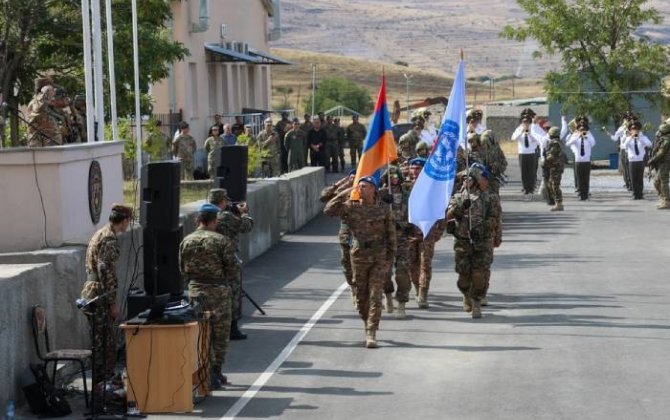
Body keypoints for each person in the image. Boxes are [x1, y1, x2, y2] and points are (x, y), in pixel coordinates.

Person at [324, 176, 395, 348]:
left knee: (375, 294)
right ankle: (366, 321)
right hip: (359, 255)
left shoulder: (384, 209)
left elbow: (391, 234)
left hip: (379, 254)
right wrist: (348, 189)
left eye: (364, 186)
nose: (361, 189)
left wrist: (389, 260)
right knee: (362, 295)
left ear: (373, 189)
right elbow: (328, 209)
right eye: (360, 186)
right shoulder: (351, 208)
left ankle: (372, 331)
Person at [179, 203, 237, 389]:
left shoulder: (186, 240)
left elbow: (181, 268)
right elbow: (233, 268)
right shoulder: (221, 240)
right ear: (214, 221)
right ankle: (215, 371)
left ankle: (203, 371)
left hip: (195, 291)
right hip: (218, 291)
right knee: (219, 334)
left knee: (201, 332)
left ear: (198, 220)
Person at [80, 204, 133, 393]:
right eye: (129, 220)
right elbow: (105, 271)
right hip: (100, 295)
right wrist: (112, 302)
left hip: (92, 291)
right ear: (124, 220)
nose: (129, 224)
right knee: (106, 343)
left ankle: (100, 385)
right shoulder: (109, 238)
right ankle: (103, 387)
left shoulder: (100, 233)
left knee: (99, 340)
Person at [446, 164, 502, 319]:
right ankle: (466, 294)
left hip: (481, 241)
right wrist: (460, 208)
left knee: (479, 275)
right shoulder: (457, 197)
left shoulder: (489, 198)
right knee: (463, 277)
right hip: (462, 242)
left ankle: (476, 302)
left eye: (469, 179)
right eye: (464, 179)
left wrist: (483, 228)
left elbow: (494, 219)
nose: (465, 182)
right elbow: (447, 216)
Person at [208, 189, 254, 340]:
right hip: (227, 260)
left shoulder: (206, 214)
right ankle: (232, 329)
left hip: (209, 260)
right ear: (222, 201)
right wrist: (243, 213)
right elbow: (247, 226)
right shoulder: (226, 216)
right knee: (232, 293)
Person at [380, 165, 413, 318]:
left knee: (402, 273)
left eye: (394, 177)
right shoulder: (379, 196)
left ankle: (401, 304)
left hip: (403, 238)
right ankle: (388, 296)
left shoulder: (408, 194)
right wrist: (381, 200)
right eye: (389, 177)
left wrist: (410, 227)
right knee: (385, 273)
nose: (392, 180)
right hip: (385, 240)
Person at [320, 171, 356, 301]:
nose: (354, 180)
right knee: (347, 265)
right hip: (347, 234)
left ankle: (365, 291)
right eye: (352, 177)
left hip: (365, 234)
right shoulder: (344, 192)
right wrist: (340, 185)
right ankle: (353, 288)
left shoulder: (368, 191)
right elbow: (324, 198)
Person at [565, 117, 596, 201]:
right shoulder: (575, 135)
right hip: (578, 160)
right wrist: (577, 136)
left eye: (584, 129)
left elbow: (593, 143)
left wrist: (587, 136)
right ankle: (580, 194)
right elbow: (568, 143)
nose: (582, 130)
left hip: (586, 160)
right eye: (580, 129)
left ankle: (586, 194)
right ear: (578, 129)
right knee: (579, 178)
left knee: (586, 178)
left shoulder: (589, 135)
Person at [511, 114, 542, 195]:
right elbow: (513, 138)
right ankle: (525, 188)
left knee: (531, 172)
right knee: (523, 172)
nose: (526, 124)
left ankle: (531, 188)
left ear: (529, 122)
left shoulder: (533, 129)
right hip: (522, 153)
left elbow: (538, 140)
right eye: (524, 122)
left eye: (527, 122)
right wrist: (522, 132)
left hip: (531, 153)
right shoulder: (519, 129)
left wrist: (530, 134)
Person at [622, 120, 652, 200]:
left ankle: (640, 194)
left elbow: (649, 144)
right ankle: (635, 194)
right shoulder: (628, 138)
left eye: (636, 128)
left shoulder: (643, 137)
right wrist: (631, 137)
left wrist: (640, 138)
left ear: (638, 129)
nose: (634, 130)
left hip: (640, 161)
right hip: (632, 161)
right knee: (633, 178)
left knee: (640, 178)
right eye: (632, 128)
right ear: (630, 130)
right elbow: (624, 146)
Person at [26, 81, 62, 147]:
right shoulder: (36, 103)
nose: (54, 92)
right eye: (51, 90)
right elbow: (38, 110)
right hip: (40, 146)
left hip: (51, 145)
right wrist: (44, 93)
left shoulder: (48, 105)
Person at [648, 122, 670, 209]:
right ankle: (663, 198)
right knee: (657, 182)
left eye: (660, 130)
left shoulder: (667, 140)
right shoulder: (662, 139)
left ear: (664, 131)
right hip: (661, 163)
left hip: (665, 163)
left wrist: (652, 160)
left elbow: (661, 153)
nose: (658, 132)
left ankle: (667, 201)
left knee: (663, 182)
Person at [544, 127, 566, 211]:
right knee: (551, 184)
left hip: (555, 167)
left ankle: (559, 203)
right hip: (556, 166)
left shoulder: (554, 143)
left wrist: (545, 162)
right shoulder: (558, 142)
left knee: (554, 185)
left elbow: (552, 155)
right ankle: (558, 202)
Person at [481, 130, 507, 196]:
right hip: (482, 177)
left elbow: (504, 162)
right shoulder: (479, 149)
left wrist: (496, 165)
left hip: (494, 176)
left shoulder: (496, 148)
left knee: (494, 197)